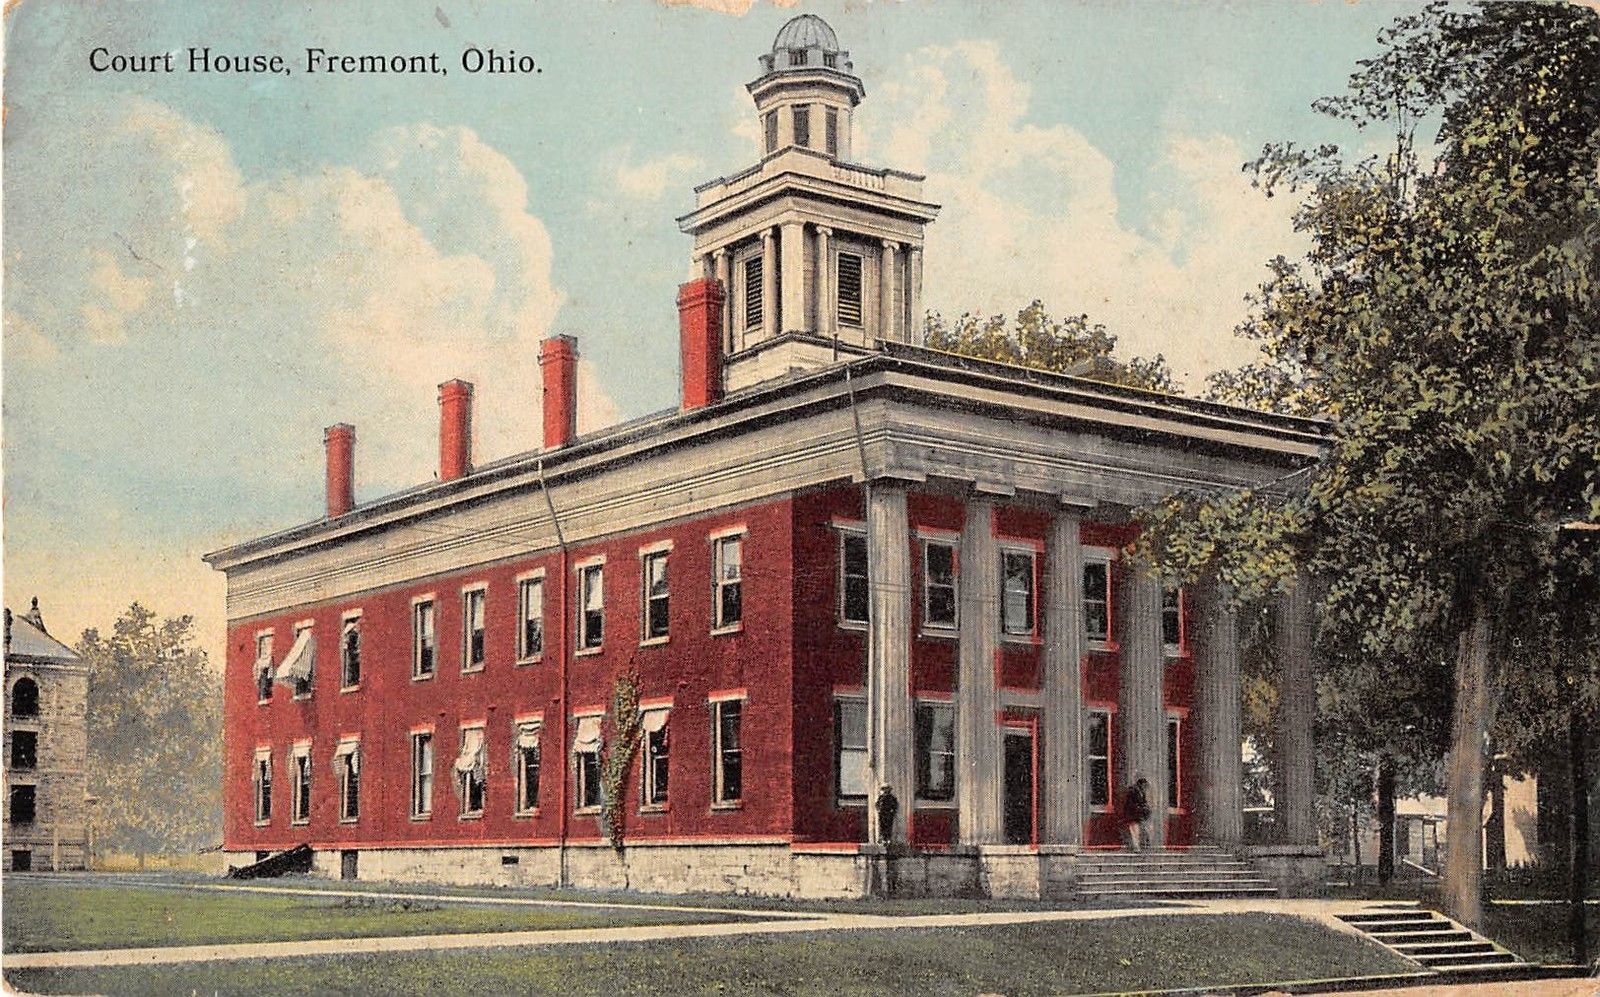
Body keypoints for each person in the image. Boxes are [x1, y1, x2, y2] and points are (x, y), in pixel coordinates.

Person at [1121, 777, 1152, 851]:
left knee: (1137, 830)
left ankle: (1139, 845)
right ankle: (1136, 846)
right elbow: (1131, 803)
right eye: (1145, 785)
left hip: (1137, 813)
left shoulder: (1141, 791)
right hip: (1133, 813)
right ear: (1142, 784)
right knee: (1135, 830)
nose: (1145, 788)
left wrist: (1145, 807)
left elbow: (1143, 802)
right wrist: (1141, 807)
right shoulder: (1133, 791)